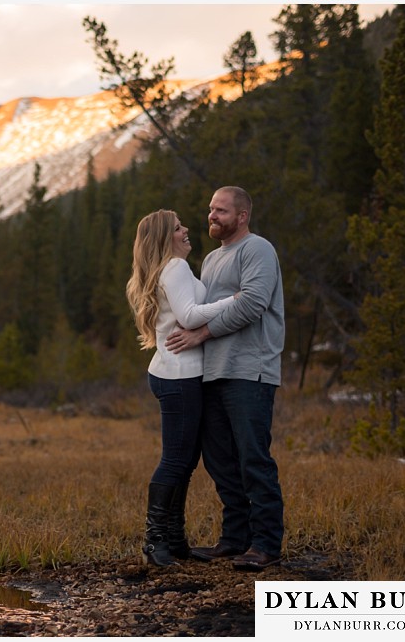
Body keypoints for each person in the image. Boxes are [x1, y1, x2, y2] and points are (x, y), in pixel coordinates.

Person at [165, 186, 285, 571]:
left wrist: (201, 335)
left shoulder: (257, 250)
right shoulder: (214, 258)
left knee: (253, 458)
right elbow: (200, 309)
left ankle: (265, 544)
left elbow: (252, 303)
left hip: (250, 370)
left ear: (242, 215)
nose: (211, 216)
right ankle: (234, 540)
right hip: (213, 372)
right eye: (210, 209)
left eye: (221, 210)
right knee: (220, 462)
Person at [126, 209, 238, 567]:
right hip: (178, 376)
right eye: (177, 228)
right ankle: (154, 540)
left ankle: (174, 540)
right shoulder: (173, 268)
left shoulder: (173, 268)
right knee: (176, 460)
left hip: (178, 373)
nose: (186, 230)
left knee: (185, 460)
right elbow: (189, 316)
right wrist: (235, 300)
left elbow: (187, 314)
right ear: (165, 238)